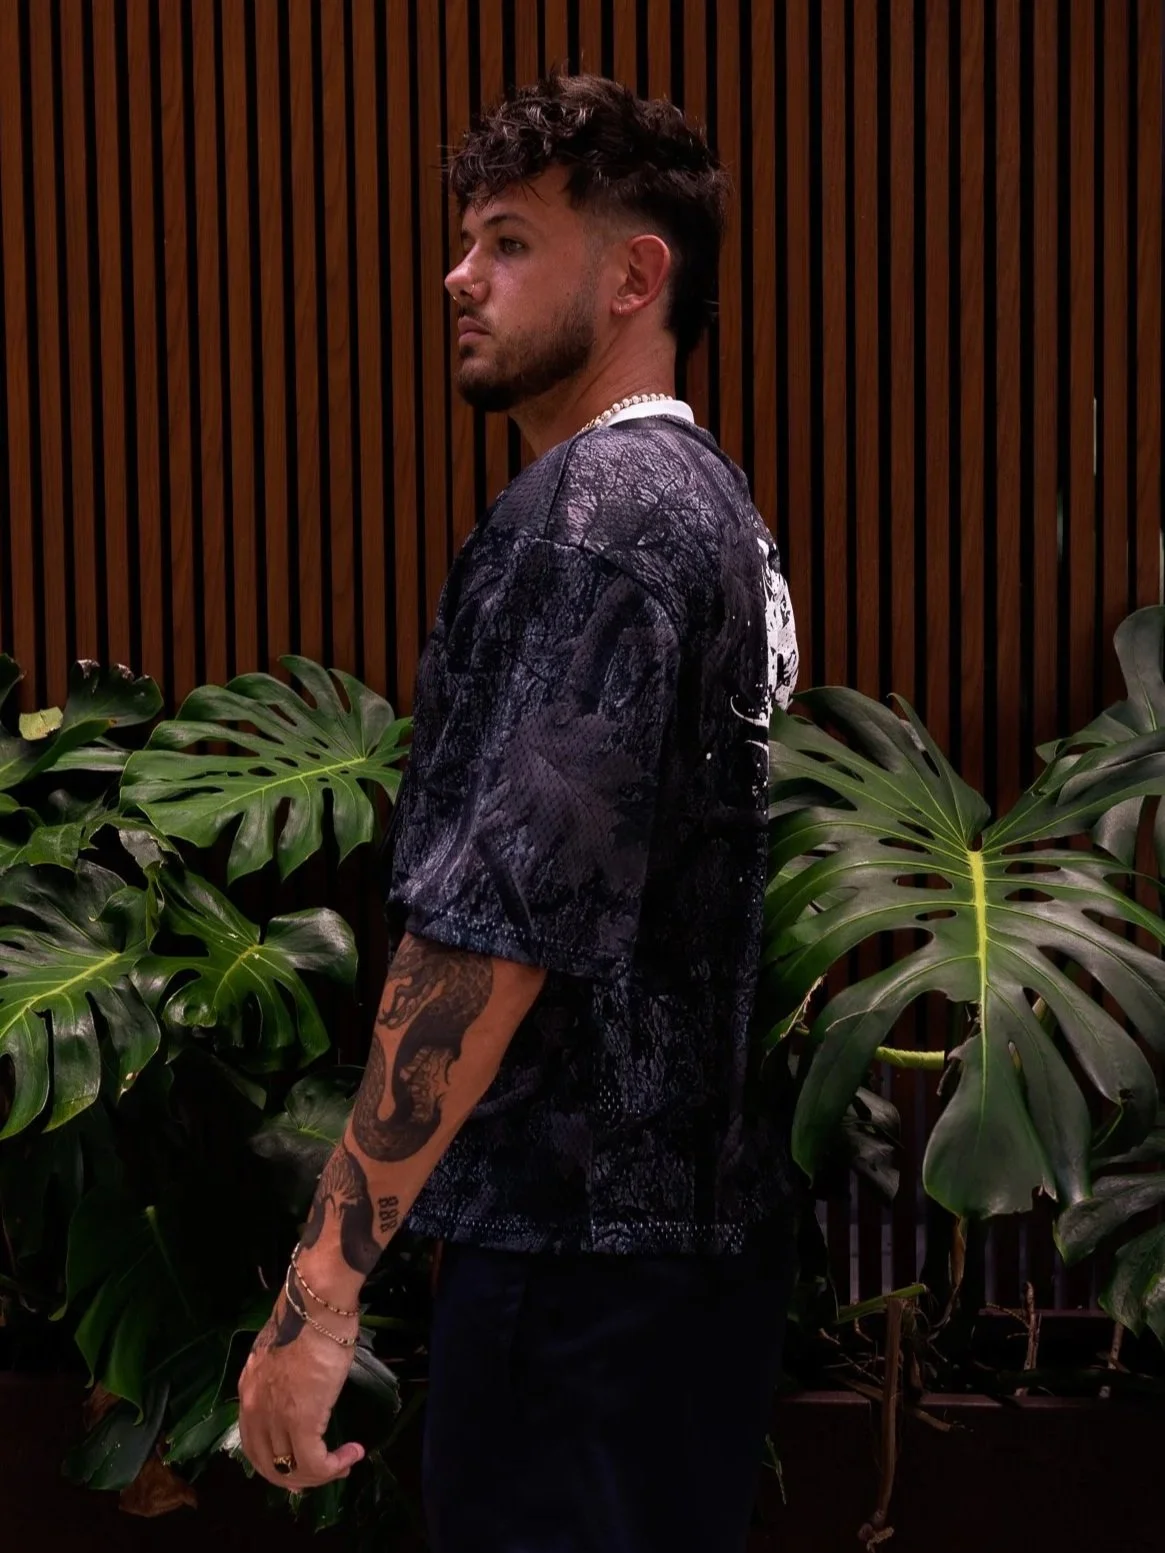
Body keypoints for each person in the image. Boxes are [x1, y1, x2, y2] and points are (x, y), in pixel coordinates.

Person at [238, 68, 800, 1553]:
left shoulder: (593, 526)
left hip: (570, 1287)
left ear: (633, 276)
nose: (457, 276)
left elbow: (493, 939)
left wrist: (318, 1294)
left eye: (506, 242)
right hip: (679, 1270)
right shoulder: (713, 512)